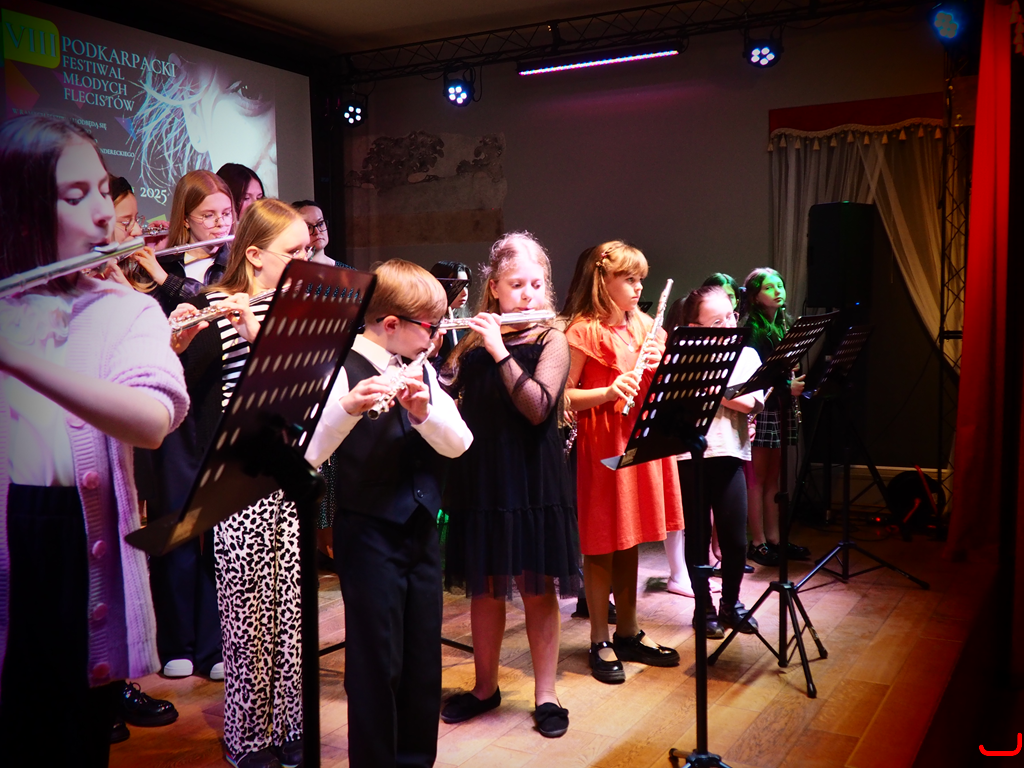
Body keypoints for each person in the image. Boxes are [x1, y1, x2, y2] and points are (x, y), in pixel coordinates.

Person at [0, 115, 188, 765]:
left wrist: (18, 358)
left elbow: (152, 421)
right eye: (76, 195)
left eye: (104, 190)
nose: (105, 213)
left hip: (73, 547)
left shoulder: (123, 310)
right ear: (20, 207)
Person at [304, 260, 473, 768]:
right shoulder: (341, 366)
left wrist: (425, 413)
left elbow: (460, 443)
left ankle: (416, 760)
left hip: (419, 530)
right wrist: (347, 409)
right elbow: (308, 453)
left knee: (422, 658)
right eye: (431, 327)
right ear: (392, 324)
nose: (436, 338)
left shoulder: (419, 367)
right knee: (377, 664)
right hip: (368, 534)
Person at [168, 198, 313, 768]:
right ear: (254, 255)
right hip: (236, 477)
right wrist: (177, 346)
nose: (306, 261)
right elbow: (181, 398)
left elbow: (306, 395)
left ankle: (292, 726)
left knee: (290, 613)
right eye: (293, 252)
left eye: (308, 249)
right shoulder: (215, 305)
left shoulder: (304, 313)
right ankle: (248, 736)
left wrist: (261, 333)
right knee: (247, 613)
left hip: (289, 472)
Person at [439, 233, 578, 738]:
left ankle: (547, 695)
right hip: (482, 478)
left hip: (532, 479)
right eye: (516, 284)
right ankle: (485, 688)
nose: (527, 294)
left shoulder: (552, 340)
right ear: (494, 288)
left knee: (536, 589)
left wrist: (500, 351)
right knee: (486, 589)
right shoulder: (472, 339)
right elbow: (443, 393)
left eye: (536, 284)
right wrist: (431, 353)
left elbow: (538, 407)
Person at [563, 240, 683, 685]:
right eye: (629, 279)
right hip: (603, 443)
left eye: (641, 280)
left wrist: (663, 372)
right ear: (603, 280)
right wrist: (608, 391)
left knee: (630, 537)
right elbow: (563, 396)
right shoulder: (582, 331)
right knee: (601, 541)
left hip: (640, 439)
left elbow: (661, 389)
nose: (638, 288)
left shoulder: (648, 327)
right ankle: (599, 637)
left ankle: (628, 631)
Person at [672, 285, 765, 637]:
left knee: (735, 538)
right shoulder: (683, 355)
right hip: (690, 456)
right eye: (717, 321)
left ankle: (731, 602)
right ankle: (703, 607)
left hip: (730, 453)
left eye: (731, 316)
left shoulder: (747, 355)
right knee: (696, 536)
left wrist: (714, 389)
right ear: (695, 328)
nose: (728, 325)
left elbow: (751, 402)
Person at [741, 268, 810, 567]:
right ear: (755, 296)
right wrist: (786, 387)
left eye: (780, 285)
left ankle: (775, 538)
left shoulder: (784, 325)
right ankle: (757, 542)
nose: (778, 291)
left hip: (779, 405)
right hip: (763, 406)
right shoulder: (753, 330)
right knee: (757, 477)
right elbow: (757, 378)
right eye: (769, 287)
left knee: (773, 477)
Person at [126, 170, 234, 315]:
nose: (221, 223)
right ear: (185, 219)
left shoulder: (237, 263)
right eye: (208, 215)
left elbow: (216, 305)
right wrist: (151, 259)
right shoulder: (165, 266)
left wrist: (167, 281)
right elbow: (144, 316)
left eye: (226, 213)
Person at [428, 260, 472, 368]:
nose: (464, 293)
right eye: (456, 286)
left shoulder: (463, 325)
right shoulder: (429, 326)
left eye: (466, 286)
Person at [292, 200, 352, 268]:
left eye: (320, 224)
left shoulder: (347, 271)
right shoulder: (291, 271)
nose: (317, 232)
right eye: (308, 227)